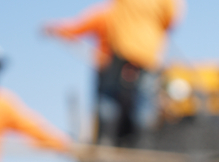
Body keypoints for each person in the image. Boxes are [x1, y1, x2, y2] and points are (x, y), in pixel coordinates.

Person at [43, 0, 183, 145]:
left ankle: (106, 142)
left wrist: (56, 29)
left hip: (121, 50)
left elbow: (76, 27)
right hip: (148, 54)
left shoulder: (105, 15)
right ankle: (143, 145)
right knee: (145, 102)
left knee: (109, 98)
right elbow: (171, 21)